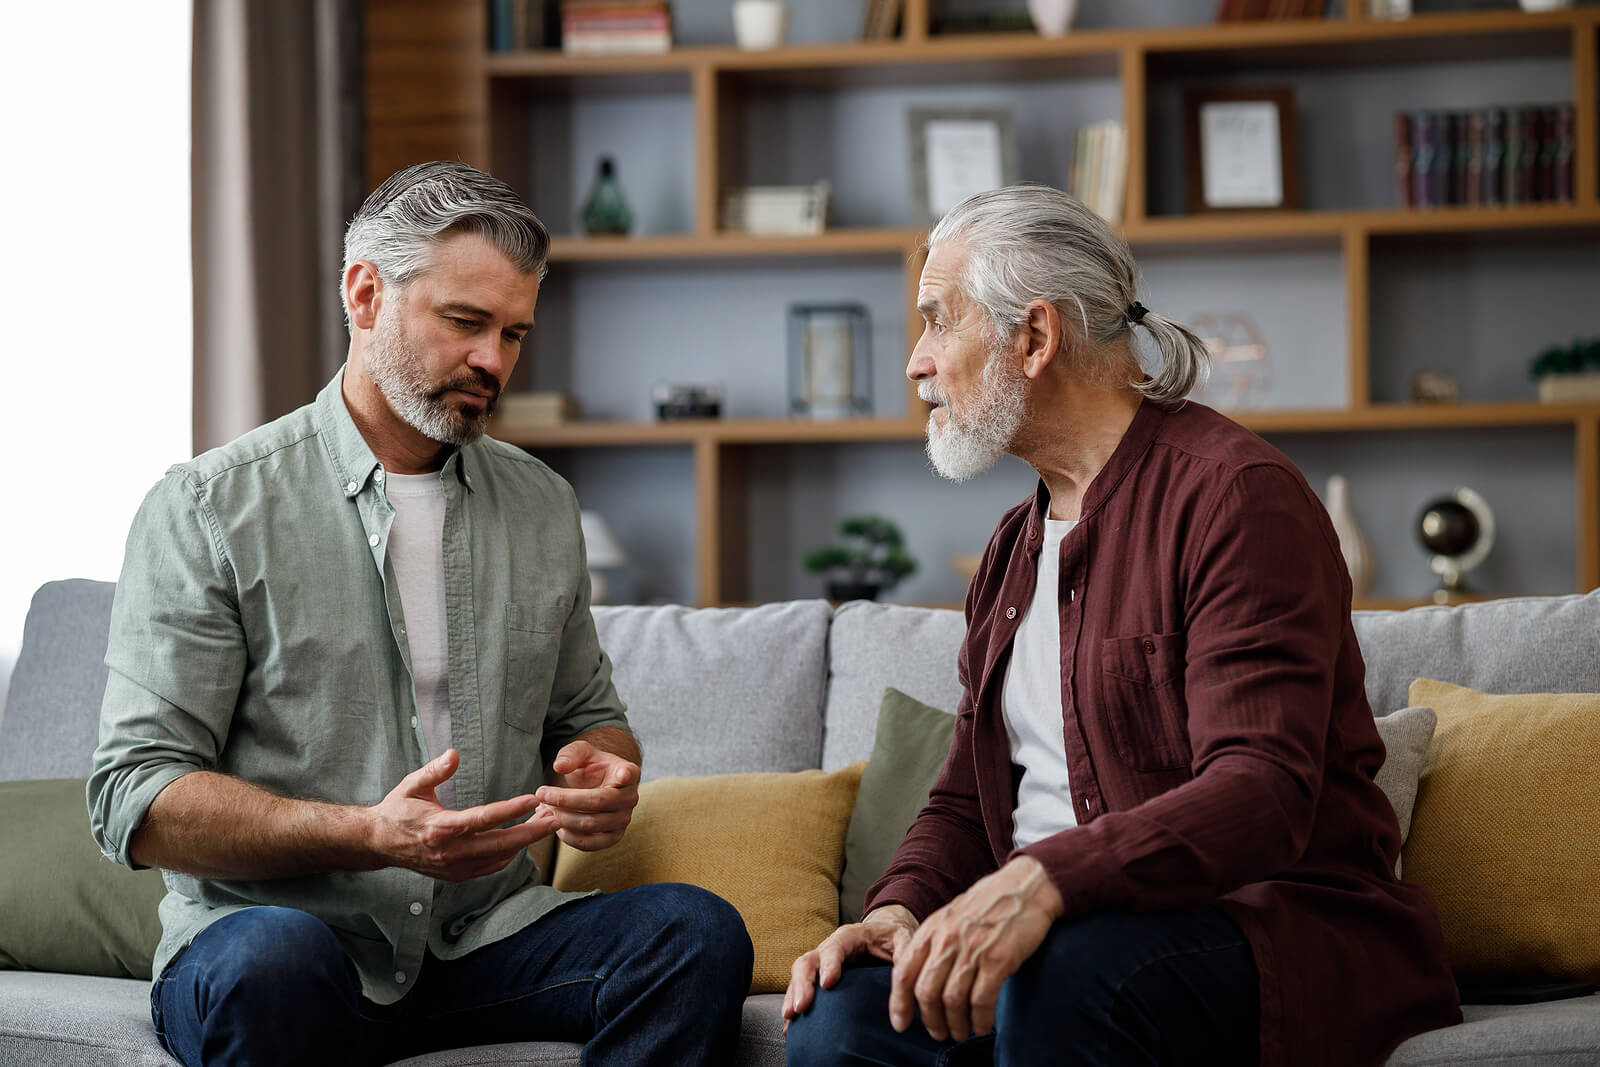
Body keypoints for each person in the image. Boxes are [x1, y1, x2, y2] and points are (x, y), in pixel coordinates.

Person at [88, 160, 752, 1067]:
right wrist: (365, 834)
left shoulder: (542, 505)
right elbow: (137, 795)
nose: (495, 361)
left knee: (695, 933)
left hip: (482, 940)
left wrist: (609, 774)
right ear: (365, 295)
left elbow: (590, 717)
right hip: (283, 942)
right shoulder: (210, 506)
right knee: (273, 961)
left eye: (514, 332)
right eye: (466, 322)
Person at [781, 185, 1462, 1067]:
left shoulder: (1235, 497)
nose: (916, 362)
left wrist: (1043, 881)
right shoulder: (1009, 551)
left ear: (1034, 337)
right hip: (1058, 947)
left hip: (1257, 929)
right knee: (840, 1015)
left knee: (1061, 976)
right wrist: (895, 912)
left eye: (938, 321)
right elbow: (963, 796)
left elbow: (1261, 789)